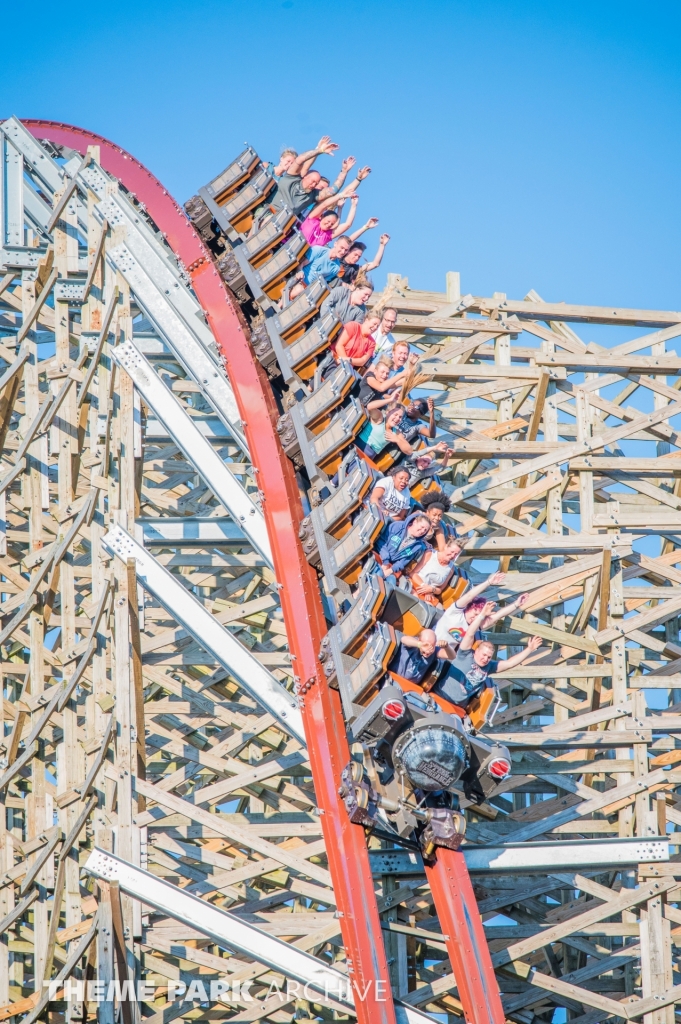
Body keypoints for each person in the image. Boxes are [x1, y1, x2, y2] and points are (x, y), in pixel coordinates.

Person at [435, 602, 543, 710]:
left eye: (489, 657)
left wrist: (529, 649)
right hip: (441, 696)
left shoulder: (489, 667)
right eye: (484, 655)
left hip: (457, 708)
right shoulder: (465, 654)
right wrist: (482, 614)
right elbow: (470, 633)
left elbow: (510, 663)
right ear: (476, 651)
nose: (485, 659)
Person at [435, 574, 529, 654]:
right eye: (475, 613)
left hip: (442, 655)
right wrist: (488, 582)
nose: (475, 617)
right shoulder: (455, 612)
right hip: (431, 643)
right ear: (469, 608)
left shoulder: (475, 625)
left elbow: (498, 615)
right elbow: (470, 595)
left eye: (478, 616)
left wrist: (516, 604)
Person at [288, 236, 353, 299]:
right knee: (299, 290)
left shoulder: (336, 268)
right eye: (341, 248)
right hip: (297, 278)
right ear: (335, 244)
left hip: (309, 290)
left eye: (346, 250)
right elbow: (301, 264)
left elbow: (322, 282)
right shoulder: (319, 250)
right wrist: (300, 272)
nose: (343, 252)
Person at [408, 539, 463, 606]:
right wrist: (425, 587)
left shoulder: (451, 568)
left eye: (456, 554)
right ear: (446, 547)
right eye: (452, 552)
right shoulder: (430, 554)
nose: (452, 556)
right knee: (420, 603)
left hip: (430, 594)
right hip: (415, 584)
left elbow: (440, 589)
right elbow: (413, 574)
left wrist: (431, 589)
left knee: (439, 608)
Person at [377, 512, 431, 577]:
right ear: (415, 522)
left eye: (425, 530)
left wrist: (390, 570)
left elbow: (403, 561)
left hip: (392, 568)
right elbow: (381, 541)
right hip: (379, 555)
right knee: (378, 573)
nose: (422, 531)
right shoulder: (397, 526)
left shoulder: (417, 546)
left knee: (391, 581)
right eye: (422, 527)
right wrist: (385, 561)